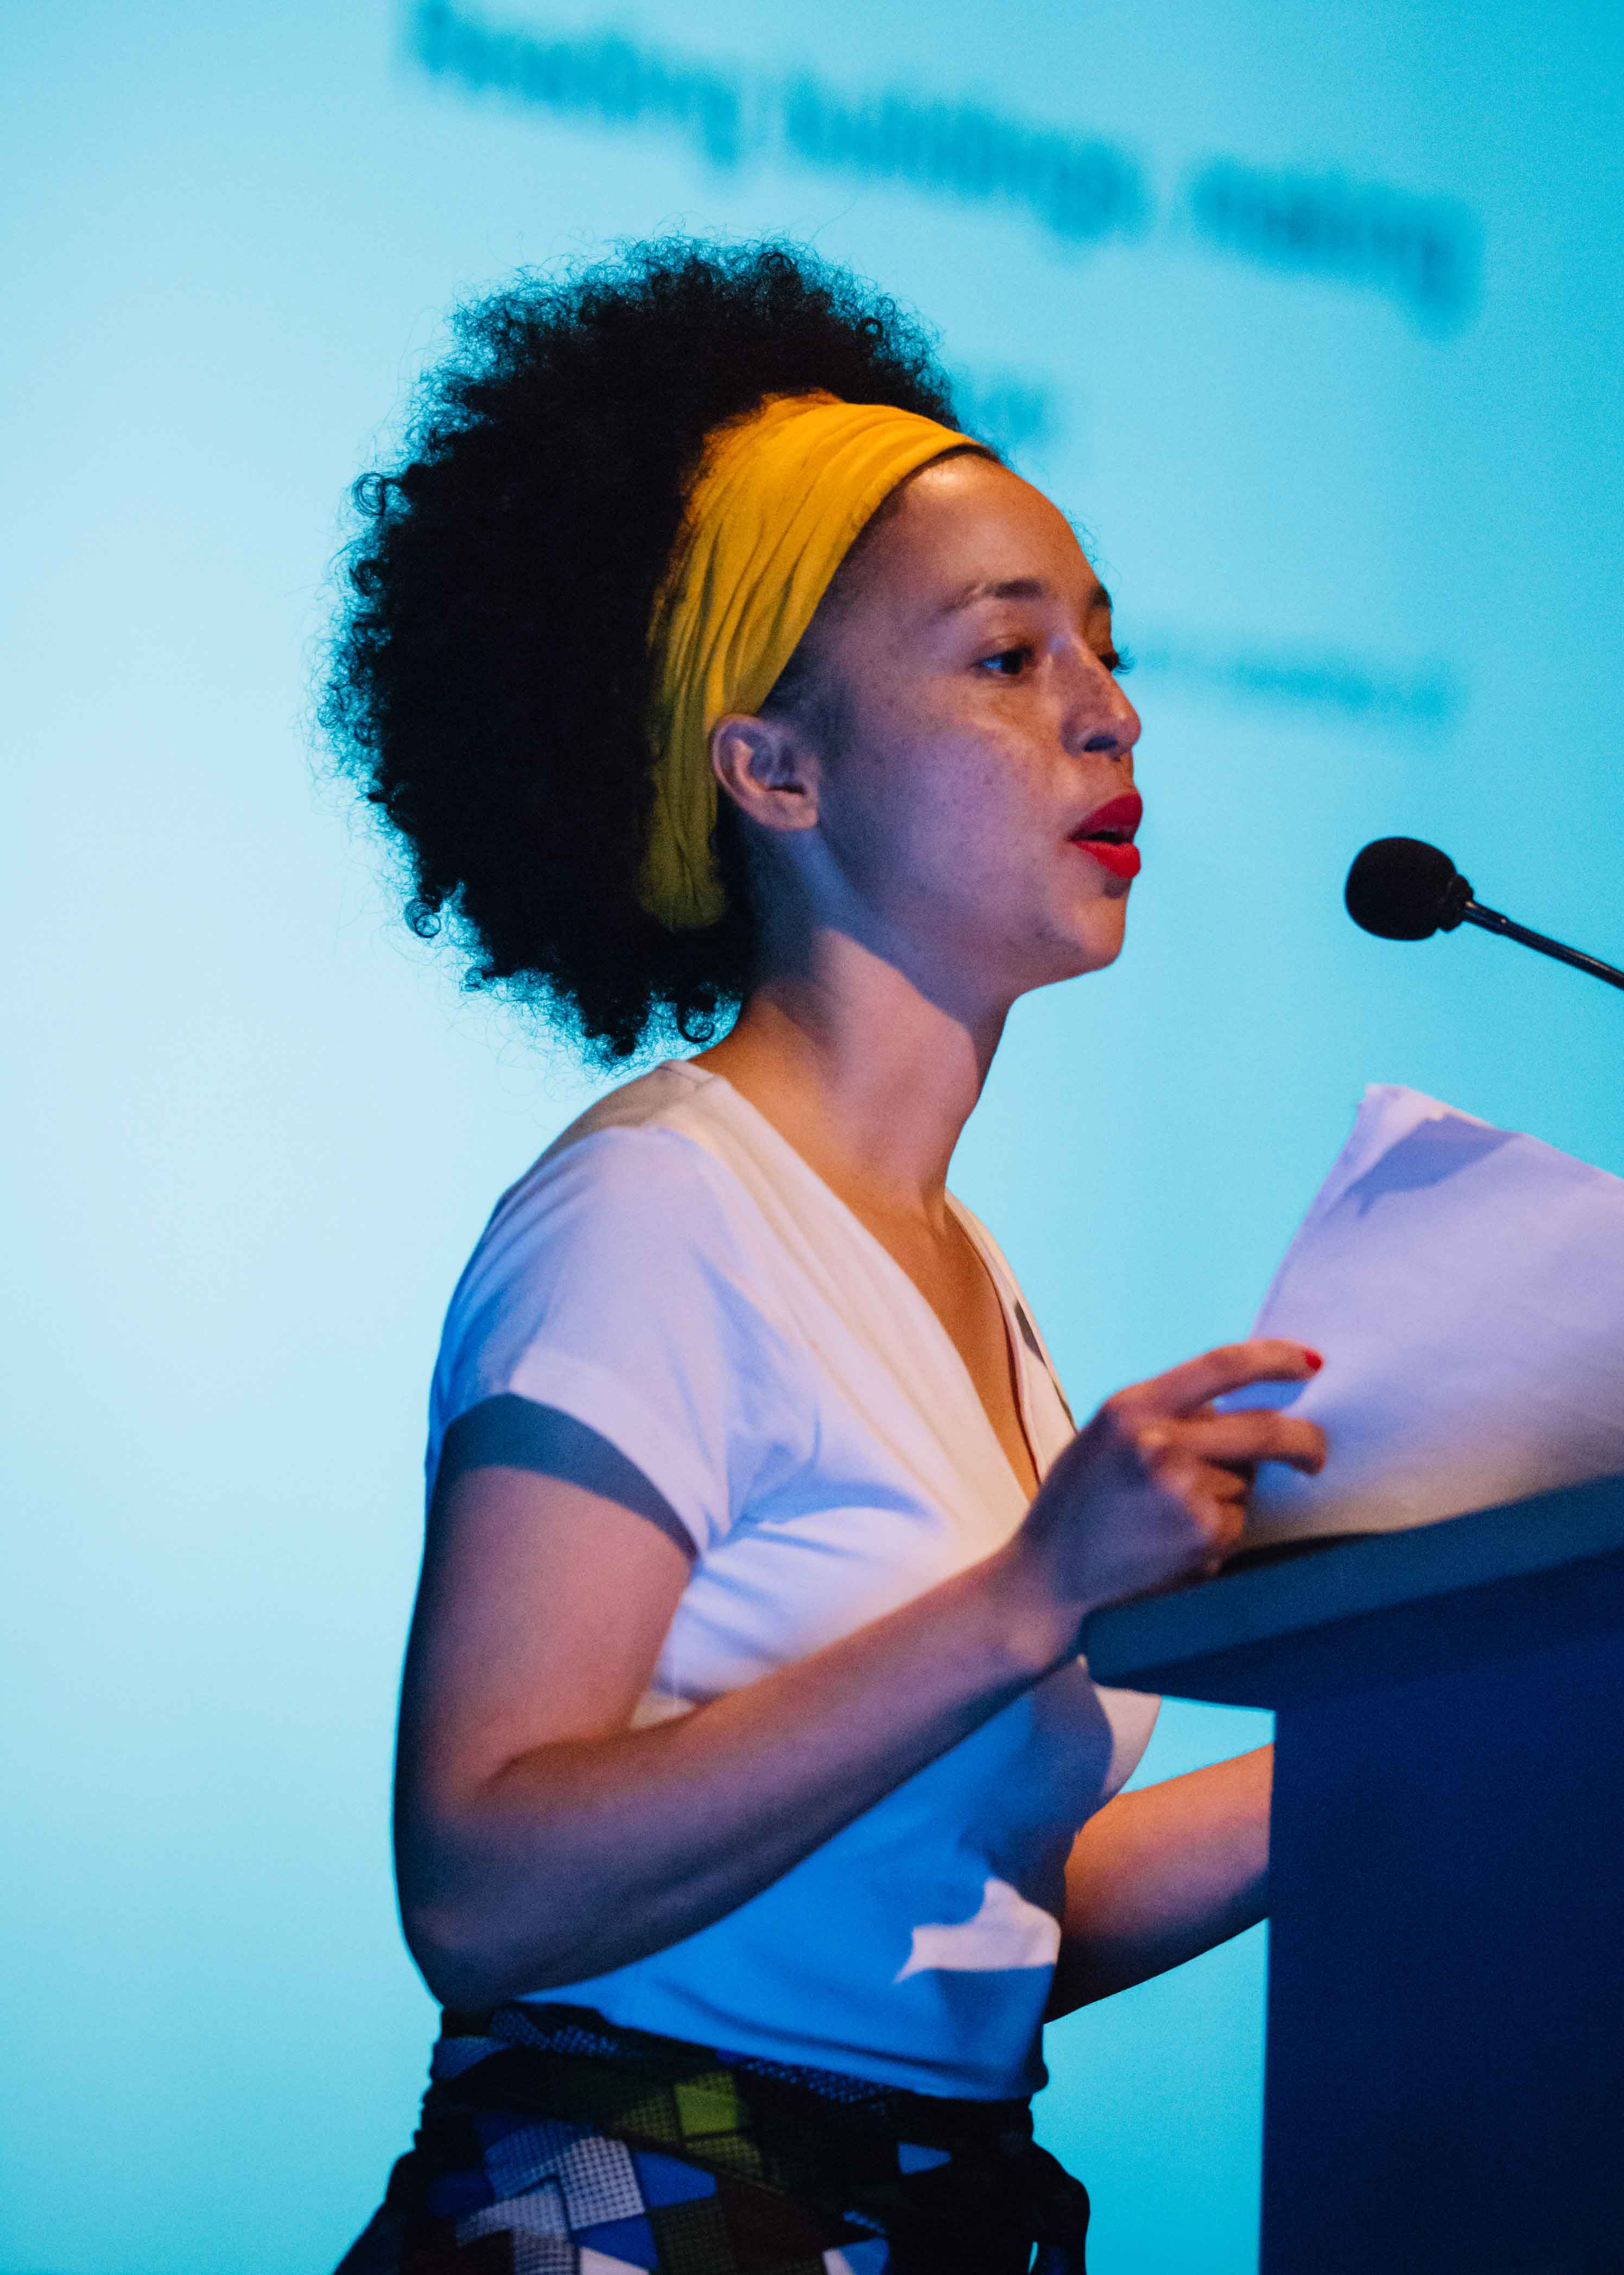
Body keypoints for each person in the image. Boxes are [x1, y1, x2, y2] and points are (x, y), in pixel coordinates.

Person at [325, 238, 1324, 2275]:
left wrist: (1425, 1739)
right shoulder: (654, 1209)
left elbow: (942, 1934)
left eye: (1105, 651)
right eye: (1008, 658)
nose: (1111, 713)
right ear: (774, 770)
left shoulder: (967, 1274)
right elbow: (482, 1889)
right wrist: (1028, 1594)